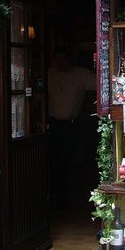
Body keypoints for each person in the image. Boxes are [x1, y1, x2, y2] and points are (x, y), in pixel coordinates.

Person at [47, 48, 95, 209]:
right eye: (57, 59)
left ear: (69, 60)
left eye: (64, 59)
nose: (61, 63)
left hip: (72, 125)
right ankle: (56, 197)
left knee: (69, 160)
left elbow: (100, 85)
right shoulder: (48, 74)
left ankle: (67, 198)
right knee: (54, 162)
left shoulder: (80, 75)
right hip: (52, 124)